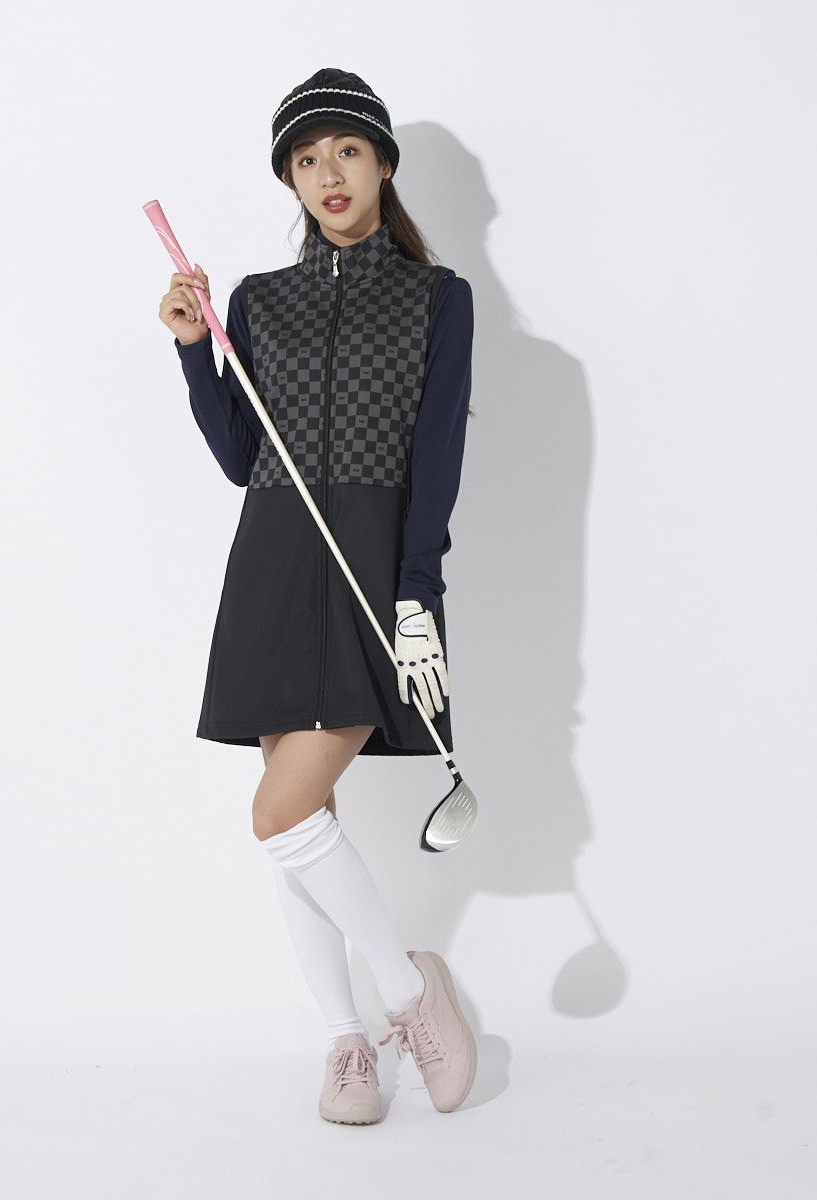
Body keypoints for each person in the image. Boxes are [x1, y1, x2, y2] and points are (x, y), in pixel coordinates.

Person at [158, 67, 477, 1123]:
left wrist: (416, 592)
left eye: (345, 150)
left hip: (371, 565)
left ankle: (409, 994)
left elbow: (436, 459)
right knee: (303, 815)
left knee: (280, 812)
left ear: (382, 163)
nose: (327, 173)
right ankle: (350, 1038)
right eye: (305, 159)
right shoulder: (260, 300)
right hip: (273, 563)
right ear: (290, 181)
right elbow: (239, 455)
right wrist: (197, 351)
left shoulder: (437, 299)